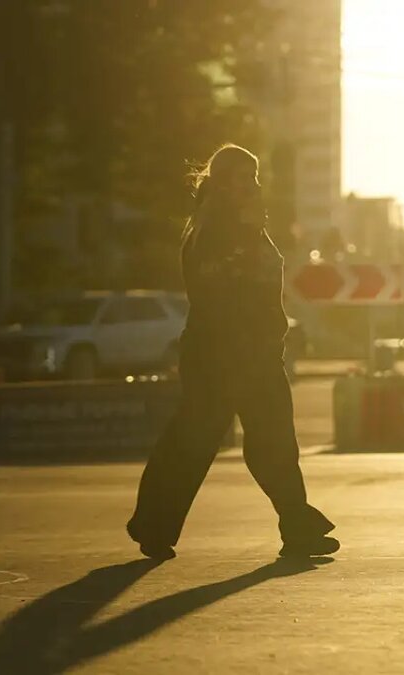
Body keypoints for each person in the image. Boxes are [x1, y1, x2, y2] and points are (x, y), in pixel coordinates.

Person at [127, 144, 338, 559]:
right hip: (221, 356)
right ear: (224, 183)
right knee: (195, 441)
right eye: (246, 178)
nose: (255, 186)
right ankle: (153, 525)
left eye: (256, 177)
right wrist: (245, 232)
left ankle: (297, 525)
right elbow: (225, 290)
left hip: (256, 354)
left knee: (273, 441)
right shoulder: (215, 230)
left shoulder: (244, 226)